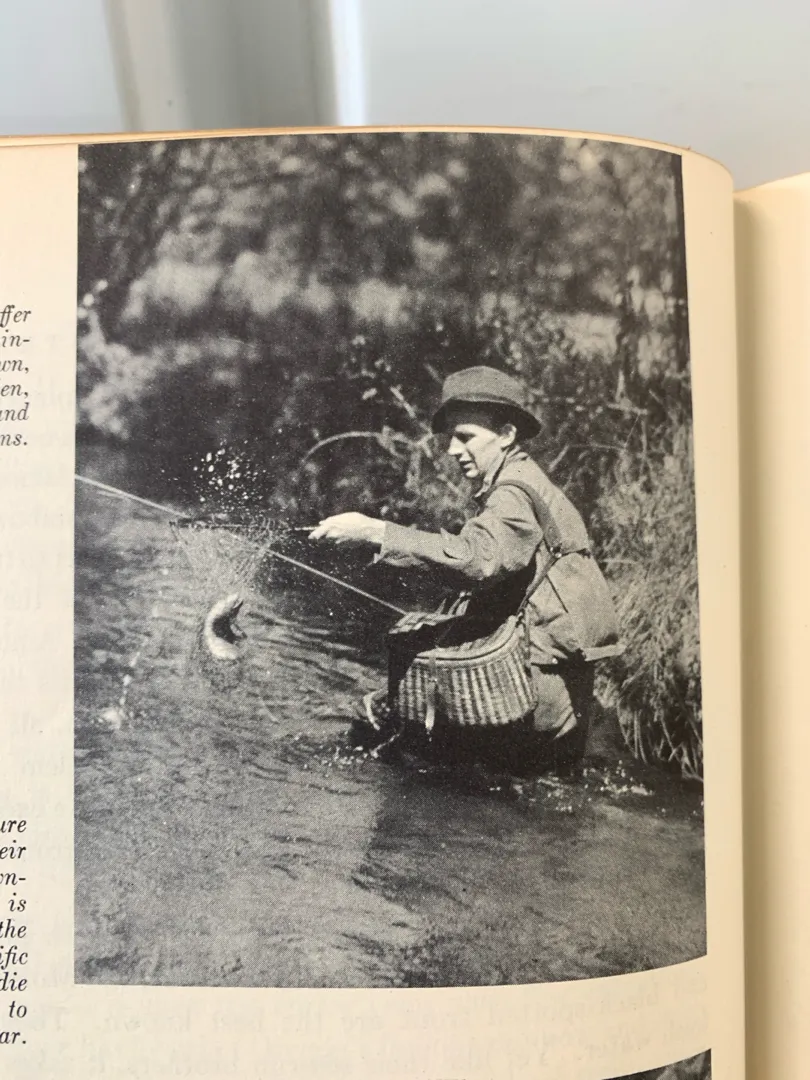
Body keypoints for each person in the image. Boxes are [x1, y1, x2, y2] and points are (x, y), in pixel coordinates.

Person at [308, 366, 622, 773]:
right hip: (557, 680)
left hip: (537, 692)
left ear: (507, 434)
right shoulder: (524, 479)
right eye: (451, 438)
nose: (453, 450)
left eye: (466, 437)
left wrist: (375, 531)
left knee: (377, 730)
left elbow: (477, 560)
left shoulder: (513, 493)